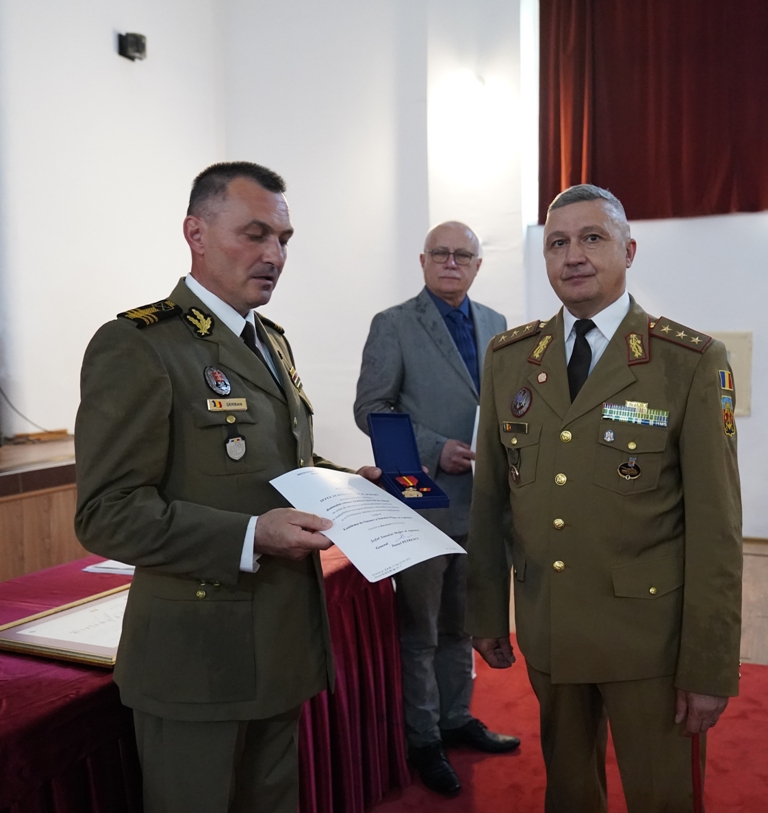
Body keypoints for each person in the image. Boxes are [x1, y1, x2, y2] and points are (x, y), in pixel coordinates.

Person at [74, 161, 380, 813]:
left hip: (279, 644)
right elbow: (106, 512)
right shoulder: (141, 345)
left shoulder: (269, 341)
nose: (274, 256)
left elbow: (278, 460)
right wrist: (251, 535)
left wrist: (349, 485)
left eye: (284, 240)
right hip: (197, 662)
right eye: (255, 234)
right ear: (197, 233)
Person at [467, 184, 742, 812]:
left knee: (663, 797)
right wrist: (485, 611)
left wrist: (708, 663)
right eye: (557, 243)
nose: (574, 256)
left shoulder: (688, 361)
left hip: (649, 641)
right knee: (568, 794)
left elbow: (717, 528)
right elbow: (490, 499)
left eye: (592, 238)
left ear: (629, 250)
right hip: (550, 626)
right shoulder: (511, 359)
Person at [354, 221, 520, 797]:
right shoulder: (394, 324)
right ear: (423, 261)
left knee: (461, 626)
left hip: (480, 505)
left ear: (477, 266)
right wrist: (433, 449)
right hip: (420, 502)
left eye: (463, 255)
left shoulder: (497, 324)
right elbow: (371, 408)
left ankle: (455, 718)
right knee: (420, 631)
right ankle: (423, 739)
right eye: (441, 254)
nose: (452, 263)